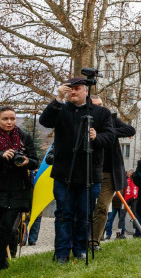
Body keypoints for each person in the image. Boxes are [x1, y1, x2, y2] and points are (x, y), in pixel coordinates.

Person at [39, 78, 114, 264]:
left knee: (85, 214)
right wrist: (57, 98)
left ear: (85, 91)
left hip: (89, 173)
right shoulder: (61, 109)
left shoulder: (101, 112)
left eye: (77, 89)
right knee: (63, 214)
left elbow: (110, 137)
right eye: (70, 89)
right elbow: (45, 120)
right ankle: (62, 252)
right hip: (64, 172)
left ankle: (80, 249)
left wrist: (97, 137)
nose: (73, 92)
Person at [89, 95, 135, 249]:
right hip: (89, 171)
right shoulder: (85, 121)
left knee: (102, 207)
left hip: (109, 173)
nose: (101, 108)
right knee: (87, 207)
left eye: (102, 104)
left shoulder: (112, 119)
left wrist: (109, 133)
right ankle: (82, 239)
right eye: (96, 105)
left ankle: (94, 241)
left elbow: (130, 130)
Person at [0, 106, 39, 270]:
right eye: (5, 119)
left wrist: (26, 161)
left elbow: (35, 160)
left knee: (7, 226)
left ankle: (1, 259)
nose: (9, 122)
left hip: (18, 188)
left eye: (12, 118)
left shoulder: (24, 137)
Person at [124, 170, 138, 237]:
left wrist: (135, 197)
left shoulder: (136, 181)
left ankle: (135, 231)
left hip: (134, 199)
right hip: (126, 199)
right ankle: (121, 232)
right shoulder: (126, 181)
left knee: (134, 215)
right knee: (122, 215)